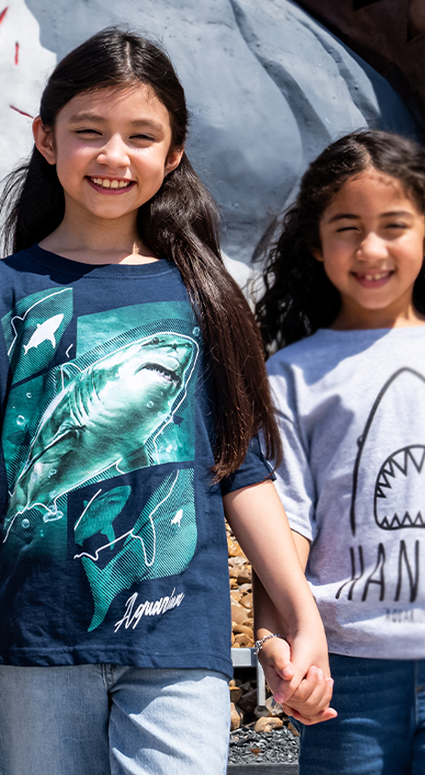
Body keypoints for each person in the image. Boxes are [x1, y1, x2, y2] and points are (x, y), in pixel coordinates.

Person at [0, 28, 331, 775]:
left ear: (173, 154)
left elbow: (242, 468)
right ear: (45, 138)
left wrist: (299, 616)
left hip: (177, 642)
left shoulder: (205, 295)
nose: (114, 155)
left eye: (142, 136)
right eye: (88, 131)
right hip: (34, 638)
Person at [255, 129, 425, 774]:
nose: (371, 248)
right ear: (316, 243)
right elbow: (284, 527)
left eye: (395, 225)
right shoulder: (290, 378)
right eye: (348, 227)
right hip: (344, 674)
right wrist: (275, 639)